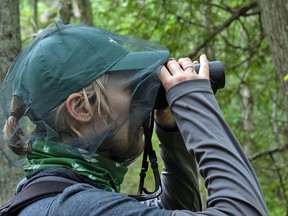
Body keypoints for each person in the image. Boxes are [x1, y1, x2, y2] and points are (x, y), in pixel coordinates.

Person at [0, 20, 268, 216]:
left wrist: (171, 132)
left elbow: (174, 210)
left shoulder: (51, 196)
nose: (144, 99)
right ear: (81, 108)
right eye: (132, 88)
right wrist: (195, 102)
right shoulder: (74, 207)